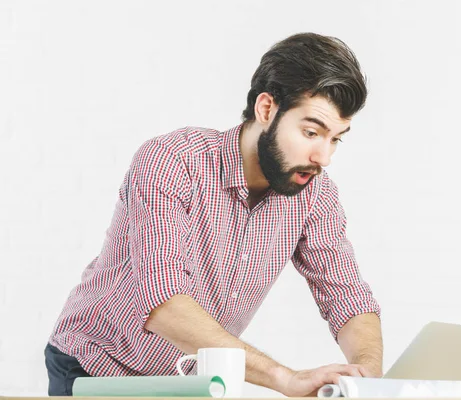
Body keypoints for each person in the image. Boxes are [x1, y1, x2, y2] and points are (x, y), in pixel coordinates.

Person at [45, 32, 383, 397]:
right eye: (311, 131)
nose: (324, 157)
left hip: (191, 382)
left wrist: (365, 379)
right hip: (98, 367)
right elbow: (162, 302)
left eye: (335, 138)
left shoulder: (316, 194)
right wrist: (285, 378)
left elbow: (347, 296)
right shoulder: (172, 161)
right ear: (267, 109)